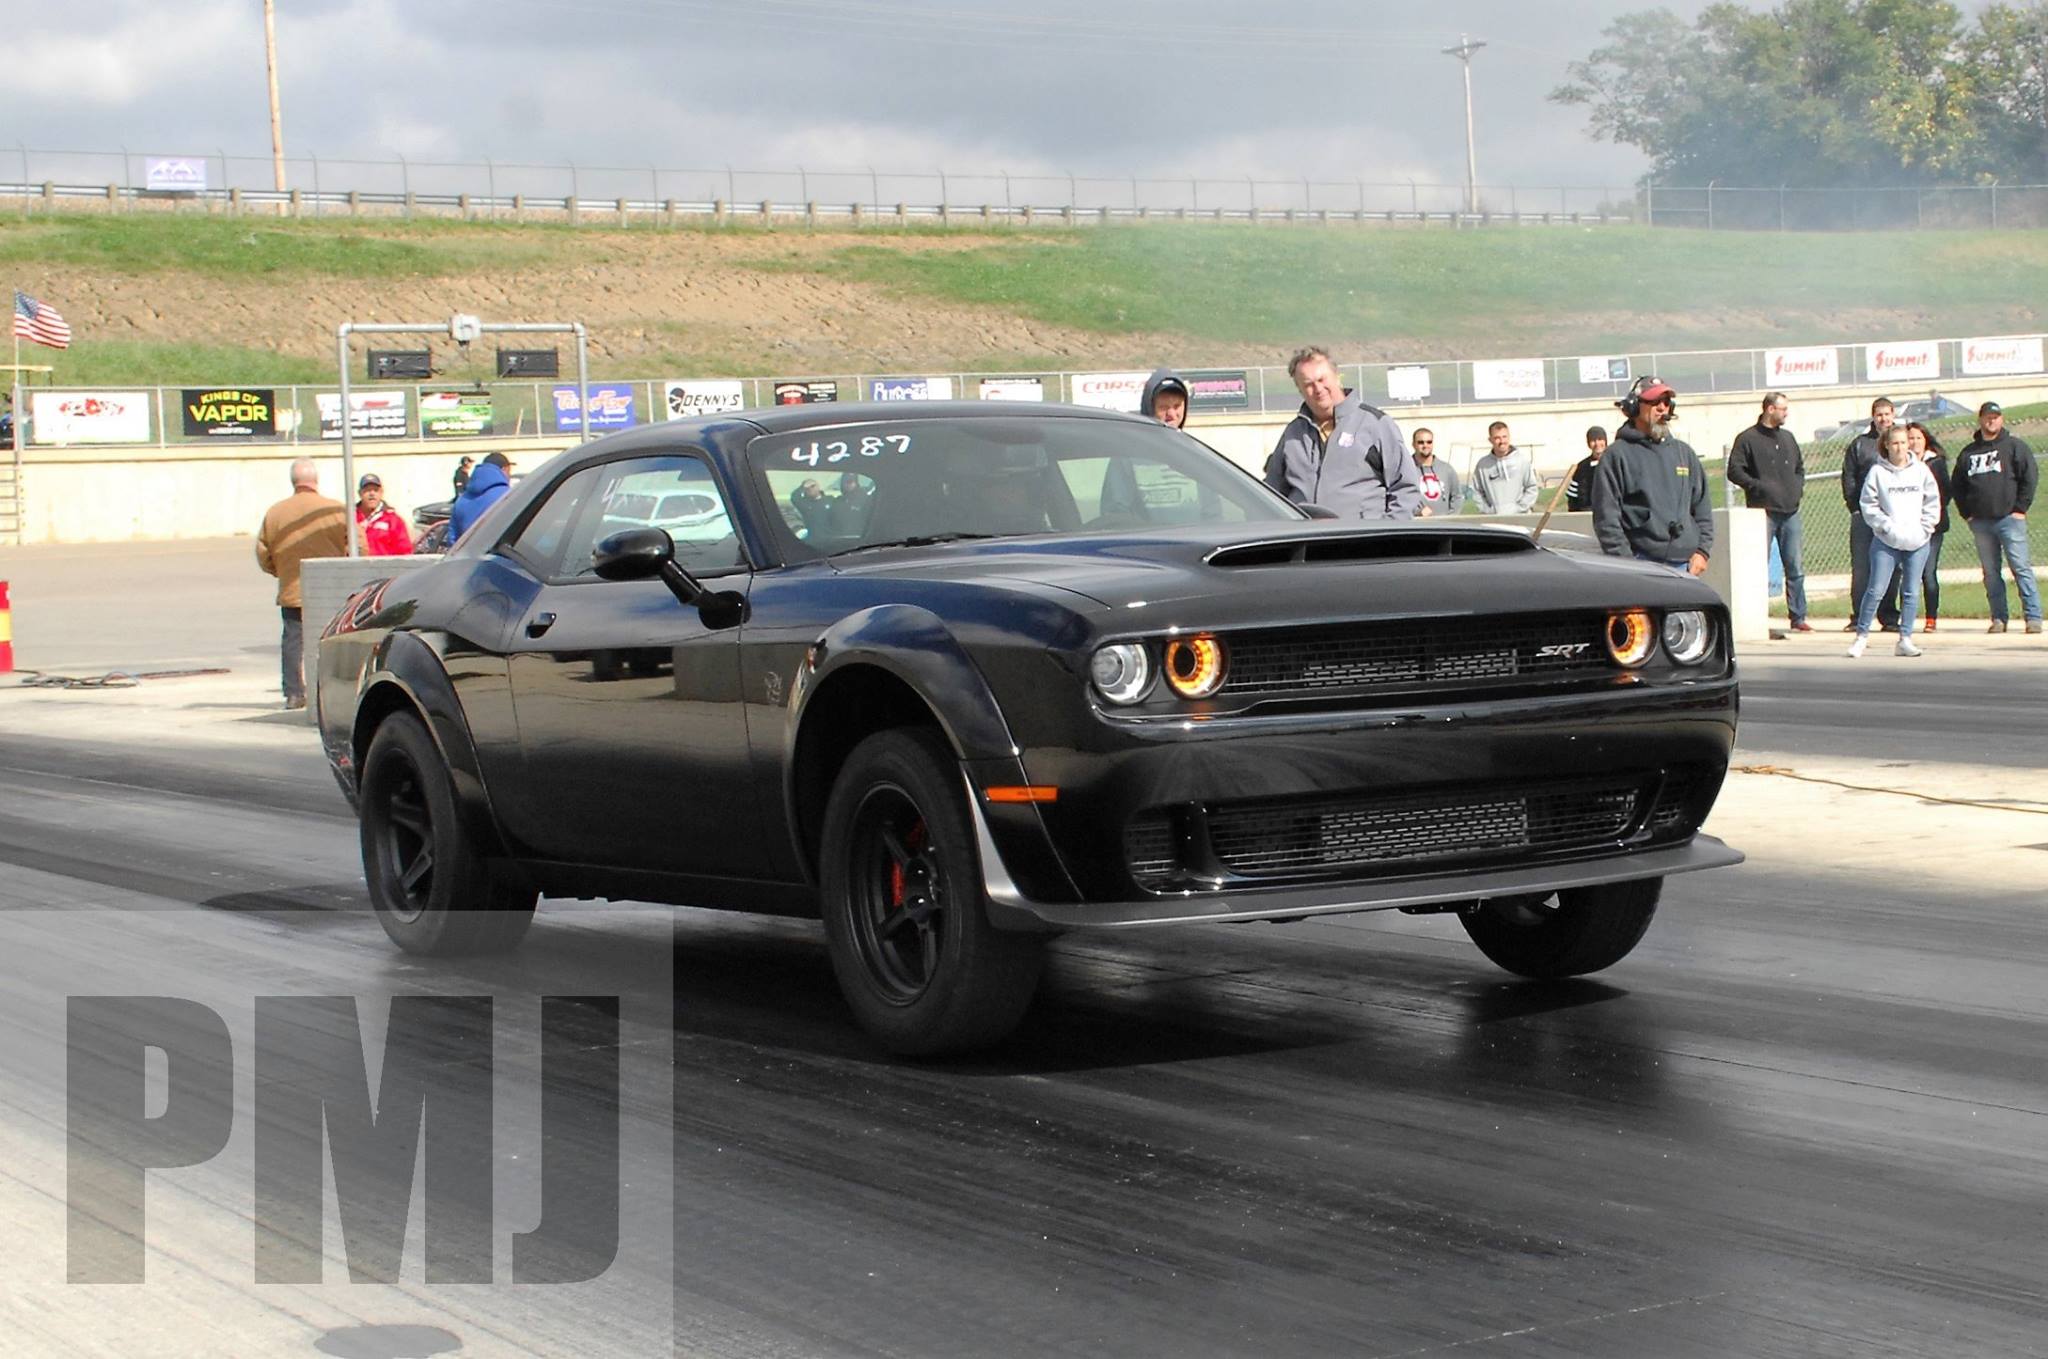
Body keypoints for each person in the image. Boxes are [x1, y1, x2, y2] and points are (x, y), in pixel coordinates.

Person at [1262, 347, 1419, 520]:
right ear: (1300, 389)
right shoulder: (1293, 434)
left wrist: (1386, 534)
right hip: (1306, 541)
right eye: (1308, 384)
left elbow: (1406, 488)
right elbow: (1272, 493)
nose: (1318, 389)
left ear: (1337, 377)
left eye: (1322, 379)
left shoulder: (1376, 424)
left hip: (1361, 541)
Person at [1590, 377, 1713, 574]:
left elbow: (1703, 507)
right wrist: (1627, 564)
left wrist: (1702, 551)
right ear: (1634, 407)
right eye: (1655, 402)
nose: (1662, 408)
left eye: (1666, 402)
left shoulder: (1684, 453)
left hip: (1686, 567)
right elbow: (1606, 518)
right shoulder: (1616, 456)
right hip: (1641, 566)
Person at [255, 458, 351, 710]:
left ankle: (294, 693)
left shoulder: (275, 513)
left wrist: (280, 572)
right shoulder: (335, 510)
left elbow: (263, 552)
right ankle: (334, 691)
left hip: (292, 589)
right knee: (333, 641)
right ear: (315, 481)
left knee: (293, 641)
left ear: (293, 482)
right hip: (331, 589)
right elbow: (359, 546)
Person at [1847, 426, 1939, 658]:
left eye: (1903, 442)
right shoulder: (1878, 472)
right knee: (1876, 588)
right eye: (1895, 443)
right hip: (1886, 541)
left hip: (1917, 540)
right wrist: (1885, 527)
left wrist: (1925, 527)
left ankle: (1905, 638)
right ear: (1886, 445)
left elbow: (1932, 501)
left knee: (1910, 590)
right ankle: (1861, 636)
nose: (1900, 447)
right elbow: (1869, 504)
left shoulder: (1921, 471)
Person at [1951, 400, 2041, 634]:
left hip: (2010, 520)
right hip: (1981, 522)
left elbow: (2029, 478)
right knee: (1991, 573)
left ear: (2001, 419)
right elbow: (1957, 485)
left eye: (1996, 416)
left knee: (2020, 567)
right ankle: (1999, 618)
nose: (1992, 420)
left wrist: (2020, 508)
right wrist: (1967, 514)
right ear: (1980, 419)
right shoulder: (1969, 453)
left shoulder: (2014, 446)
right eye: (1988, 417)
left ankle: (2033, 617)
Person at [1726, 391, 1810, 631]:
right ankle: (1755, 617)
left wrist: (1797, 488)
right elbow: (1735, 470)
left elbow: (1799, 468)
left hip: (1790, 510)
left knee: (1795, 567)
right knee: (1757, 567)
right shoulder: (1747, 439)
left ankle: (1798, 617)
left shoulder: (1788, 438)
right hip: (1762, 513)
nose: (1786, 413)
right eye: (1782, 409)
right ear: (1769, 409)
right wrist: (1758, 486)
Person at [1839, 398, 1900, 632]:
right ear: (1873, 417)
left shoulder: (1898, 442)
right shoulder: (1860, 445)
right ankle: (1859, 617)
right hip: (1864, 517)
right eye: (1879, 415)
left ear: (1893, 414)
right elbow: (1849, 478)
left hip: (1892, 517)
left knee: (1893, 567)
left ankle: (1890, 617)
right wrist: (1855, 507)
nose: (1883, 419)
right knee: (1862, 568)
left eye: (1887, 414)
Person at [1902, 423, 1951, 631]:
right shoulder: (1901, 465)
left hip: (1932, 527)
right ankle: (1906, 618)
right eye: (1910, 439)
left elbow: (1945, 493)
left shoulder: (1936, 463)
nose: (1914, 443)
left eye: (1918, 438)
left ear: (1926, 440)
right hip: (1907, 526)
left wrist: (1928, 514)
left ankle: (1931, 618)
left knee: (1928, 573)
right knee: (1908, 573)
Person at [1465, 421, 1541, 515]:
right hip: (1493, 521)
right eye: (1497, 438)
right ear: (1490, 440)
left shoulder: (1522, 461)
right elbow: (1477, 491)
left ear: (1509, 437)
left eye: (1504, 437)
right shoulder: (1483, 465)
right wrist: (1488, 511)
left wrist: (1519, 508)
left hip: (1519, 517)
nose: (1502, 441)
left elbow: (1532, 487)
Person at [448, 451, 514, 543]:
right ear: (504, 470)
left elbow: (452, 539)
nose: (510, 476)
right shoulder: (507, 496)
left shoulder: (462, 500)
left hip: (466, 555)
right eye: (509, 471)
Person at [353, 473, 414, 557]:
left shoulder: (393, 520)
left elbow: (405, 551)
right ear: (360, 493)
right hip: (355, 568)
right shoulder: (350, 518)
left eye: (375, 490)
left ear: (381, 493)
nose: (372, 494)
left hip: (384, 568)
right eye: (367, 490)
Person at [1411, 427, 1460, 517]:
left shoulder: (1446, 469)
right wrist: (1417, 512)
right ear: (1413, 444)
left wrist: (1451, 518)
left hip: (1443, 526)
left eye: (1429, 442)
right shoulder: (1406, 470)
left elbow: (1457, 496)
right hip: (1417, 525)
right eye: (1421, 442)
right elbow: (1401, 498)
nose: (1425, 445)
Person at [1564, 425, 1608, 512]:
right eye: (1593, 440)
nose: (1597, 444)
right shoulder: (1581, 467)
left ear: (1605, 441)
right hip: (1586, 513)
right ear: (1588, 444)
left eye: (1600, 439)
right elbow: (1573, 498)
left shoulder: (1615, 461)